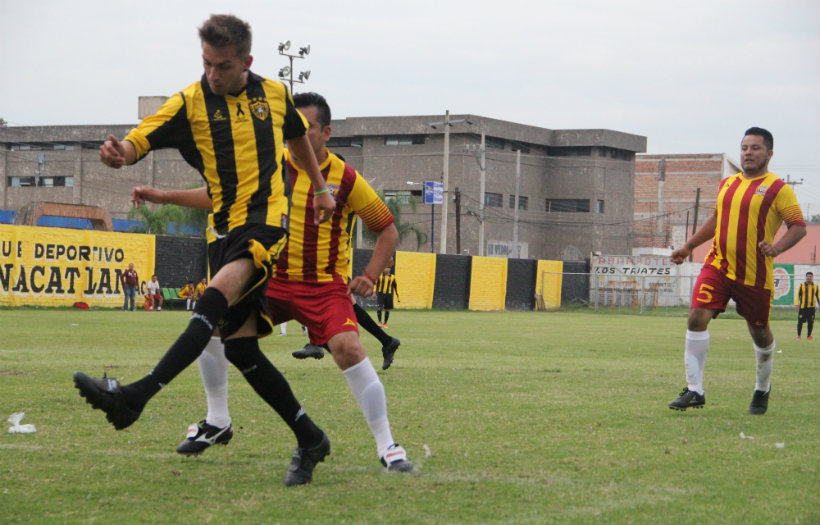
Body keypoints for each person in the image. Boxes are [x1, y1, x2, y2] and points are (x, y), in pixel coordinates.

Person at [73, 14, 336, 487]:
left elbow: (297, 136)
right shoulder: (190, 103)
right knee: (239, 349)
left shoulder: (274, 95)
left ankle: (135, 397)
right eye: (207, 63)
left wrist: (319, 188)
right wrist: (119, 153)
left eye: (224, 65)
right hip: (223, 230)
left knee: (210, 300)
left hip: (267, 224)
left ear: (247, 63)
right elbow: (141, 138)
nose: (213, 74)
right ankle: (310, 437)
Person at [135, 92, 412, 473]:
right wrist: (162, 194)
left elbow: (388, 230)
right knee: (211, 324)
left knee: (348, 347)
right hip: (272, 280)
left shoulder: (345, 178)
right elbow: (221, 198)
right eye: (289, 125)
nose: (293, 132)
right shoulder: (270, 166)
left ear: (326, 133)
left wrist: (369, 276)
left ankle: (388, 446)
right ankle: (218, 421)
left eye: (305, 127)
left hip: (323, 285)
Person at [667, 127, 806, 415]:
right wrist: (688, 246)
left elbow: (799, 227)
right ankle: (695, 390)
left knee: (761, 335)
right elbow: (717, 220)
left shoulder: (779, 188)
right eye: (744, 147)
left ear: (769, 153)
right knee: (696, 317)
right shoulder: (727, 184)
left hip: (755, 275)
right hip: (718, 265)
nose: (748, 153)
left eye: (755, 148)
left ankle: (762, 388)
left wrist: (777, 249)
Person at [375, 263, 400, 328]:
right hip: (380, 294)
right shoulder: (380, 276)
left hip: (388, 295)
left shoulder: (392, 277)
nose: (386, 269)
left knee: (387, 309)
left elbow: (395, 287)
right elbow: (376, 284)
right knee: (379, 308)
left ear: (389, 269)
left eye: (387, 268)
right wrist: (374, 293)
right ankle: (380, 322)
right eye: (384, 268)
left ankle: (385, 323)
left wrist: (398, 297)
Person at [796, 272, 818, 340]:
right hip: (803, 307)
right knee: (800, 321)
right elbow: (797, 295)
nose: (809, 277)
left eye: (810, 276)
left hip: (811, 308)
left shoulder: (815, 286)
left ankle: (809, 336)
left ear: (812, 277)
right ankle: (799, 336)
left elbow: (818, 296)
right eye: (808, 276)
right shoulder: (801, 285)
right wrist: (797, 304)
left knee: (811, 322)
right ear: (806, 277)